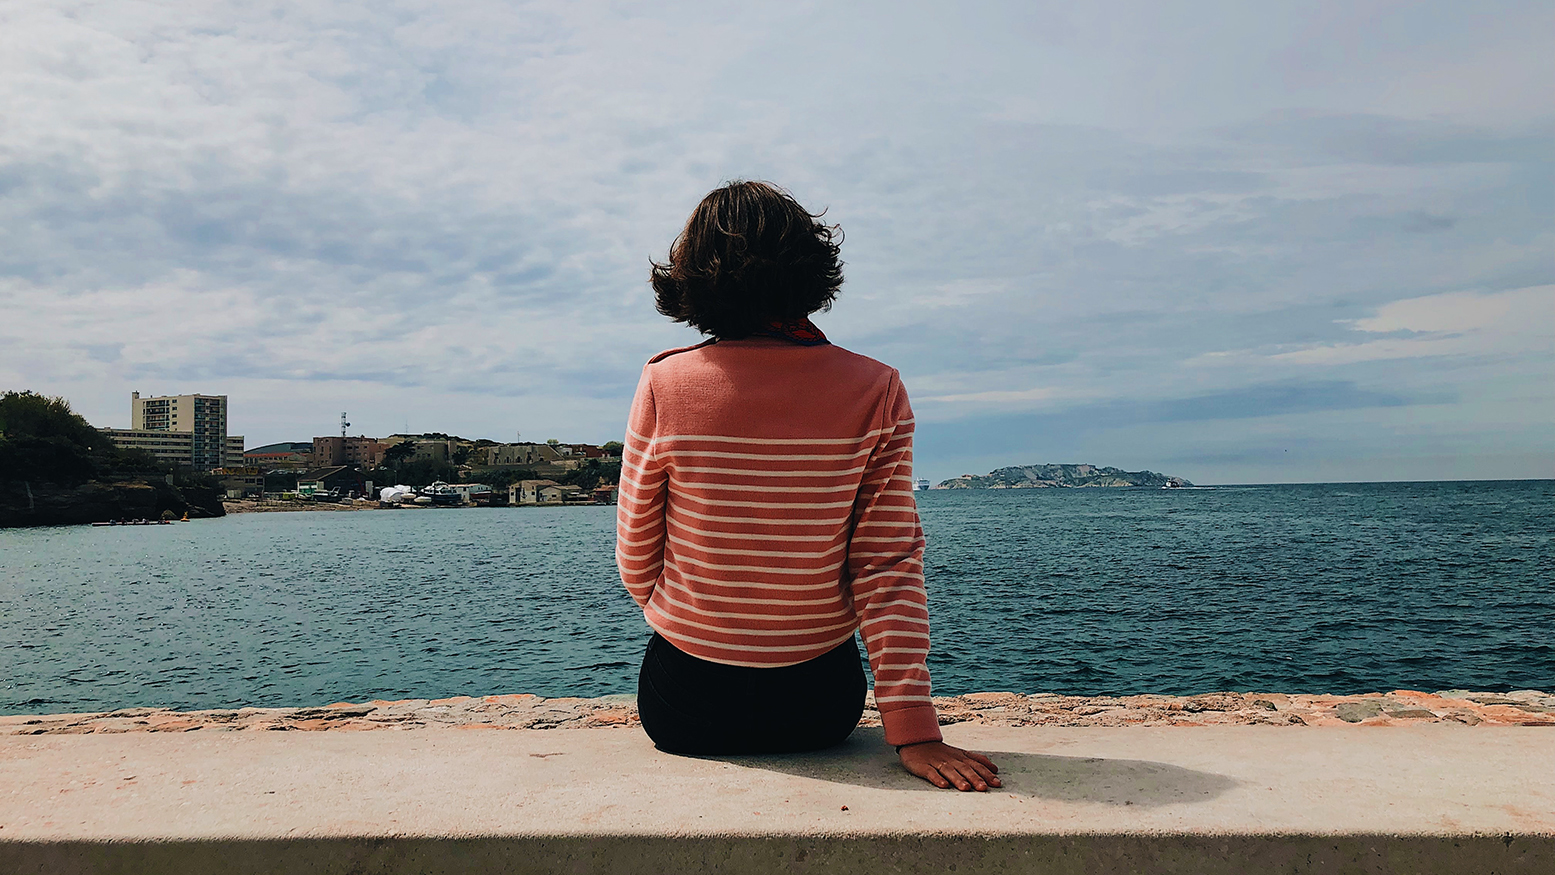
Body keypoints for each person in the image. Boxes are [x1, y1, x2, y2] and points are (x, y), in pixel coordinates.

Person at [615, 181, 1000, 792]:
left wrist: (696, 621)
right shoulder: (875, 388)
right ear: (811, 266)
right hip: (818, 707)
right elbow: (887, 563)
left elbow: (637, 553)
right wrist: (915, 730)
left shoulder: (665, 382)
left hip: (685, 703)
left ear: (691, 276)